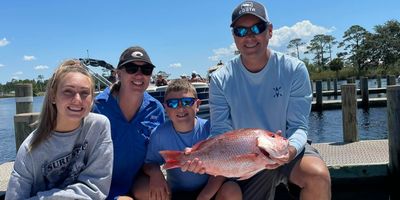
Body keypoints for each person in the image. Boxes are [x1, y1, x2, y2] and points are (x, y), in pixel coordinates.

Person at [182, 1, 331, 200]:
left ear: (270, 31)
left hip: (285, 149)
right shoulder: (219, 79)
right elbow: (220, 131)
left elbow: (299, 126)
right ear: (234, 36)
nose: (249, 36)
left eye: (257, 28)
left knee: (317, 176)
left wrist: (290, 151)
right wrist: (201, 155)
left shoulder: (294, 69)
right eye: (240, 31)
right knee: (229, 193)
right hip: (241, 158)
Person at [6, 59, 113, 199]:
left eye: (84, 93)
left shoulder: (98, 126)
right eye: (68, 91)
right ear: (53, 96)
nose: (77, 99)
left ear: (92, 99)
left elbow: (96, 187)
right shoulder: (29, 149)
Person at [134, 79, 241, 200]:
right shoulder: (159, 134)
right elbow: (149, 163)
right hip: (175, 193)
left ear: (198, 105)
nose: (180, 108)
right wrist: (155, 174)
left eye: (186, 102)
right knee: (141, 189)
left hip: (209, 192)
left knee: (232, 190)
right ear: (166, 108)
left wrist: (203, 197)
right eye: (173, 103)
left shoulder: (212, 129)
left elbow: (222, 171)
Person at [92, 46, 165, 199]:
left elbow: (153, 155)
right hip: (99, 184)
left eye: (146, 69)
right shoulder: (97, 107)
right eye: (131, 68)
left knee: (162, 194)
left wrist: (155, 171)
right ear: (118, 74)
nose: (139, 75)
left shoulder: (155, 109)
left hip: (137, 179)